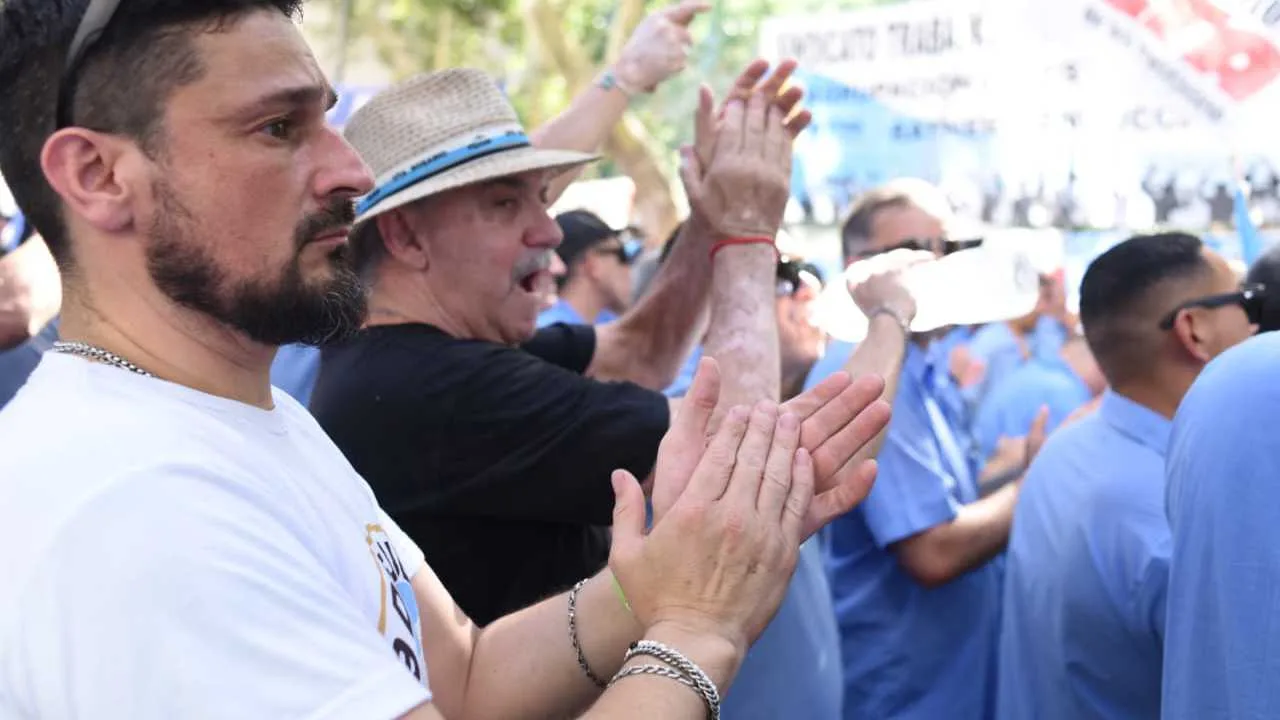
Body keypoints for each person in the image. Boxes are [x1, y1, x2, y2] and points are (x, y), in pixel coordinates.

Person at [0, 2, 895, 718]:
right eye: (276, 127)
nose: (351, 171)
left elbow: (464, 676)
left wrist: (652, 582)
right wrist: (698, 626)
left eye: (325, 122)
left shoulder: (249, 422)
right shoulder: (140, 503)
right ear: (99, 177)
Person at [268, 0, 708, 404]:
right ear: (404, 237)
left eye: (539, 198)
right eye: (278, 129)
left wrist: (625, 77)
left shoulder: (372, 339)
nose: (549, 233)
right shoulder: (431, 377)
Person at [996, 232, 1259, 720]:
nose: (1255, 323)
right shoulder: (1175, 513)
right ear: (1193, 329)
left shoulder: (1065, 449)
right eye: (1245, 301)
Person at [813, 178, 1032, 720]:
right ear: (859, 269)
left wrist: (1010, 474)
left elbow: (946, 506)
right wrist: (1035, 483)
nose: (939, 266)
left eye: (947, 248)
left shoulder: (921, 366)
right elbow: (933, 552)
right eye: (915, 252)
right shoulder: (870, 372)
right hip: (905, 696)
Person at [972, 333, 1104, 463]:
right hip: (996, 467)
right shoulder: (1065, 391)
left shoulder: (1036, 369)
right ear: (1098, 365)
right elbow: (1082, 459)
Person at [536, 210, 639, 327]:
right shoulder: (549, 331)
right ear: (593, 264)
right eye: (622, 256)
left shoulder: (608, 322)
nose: (629, 269)